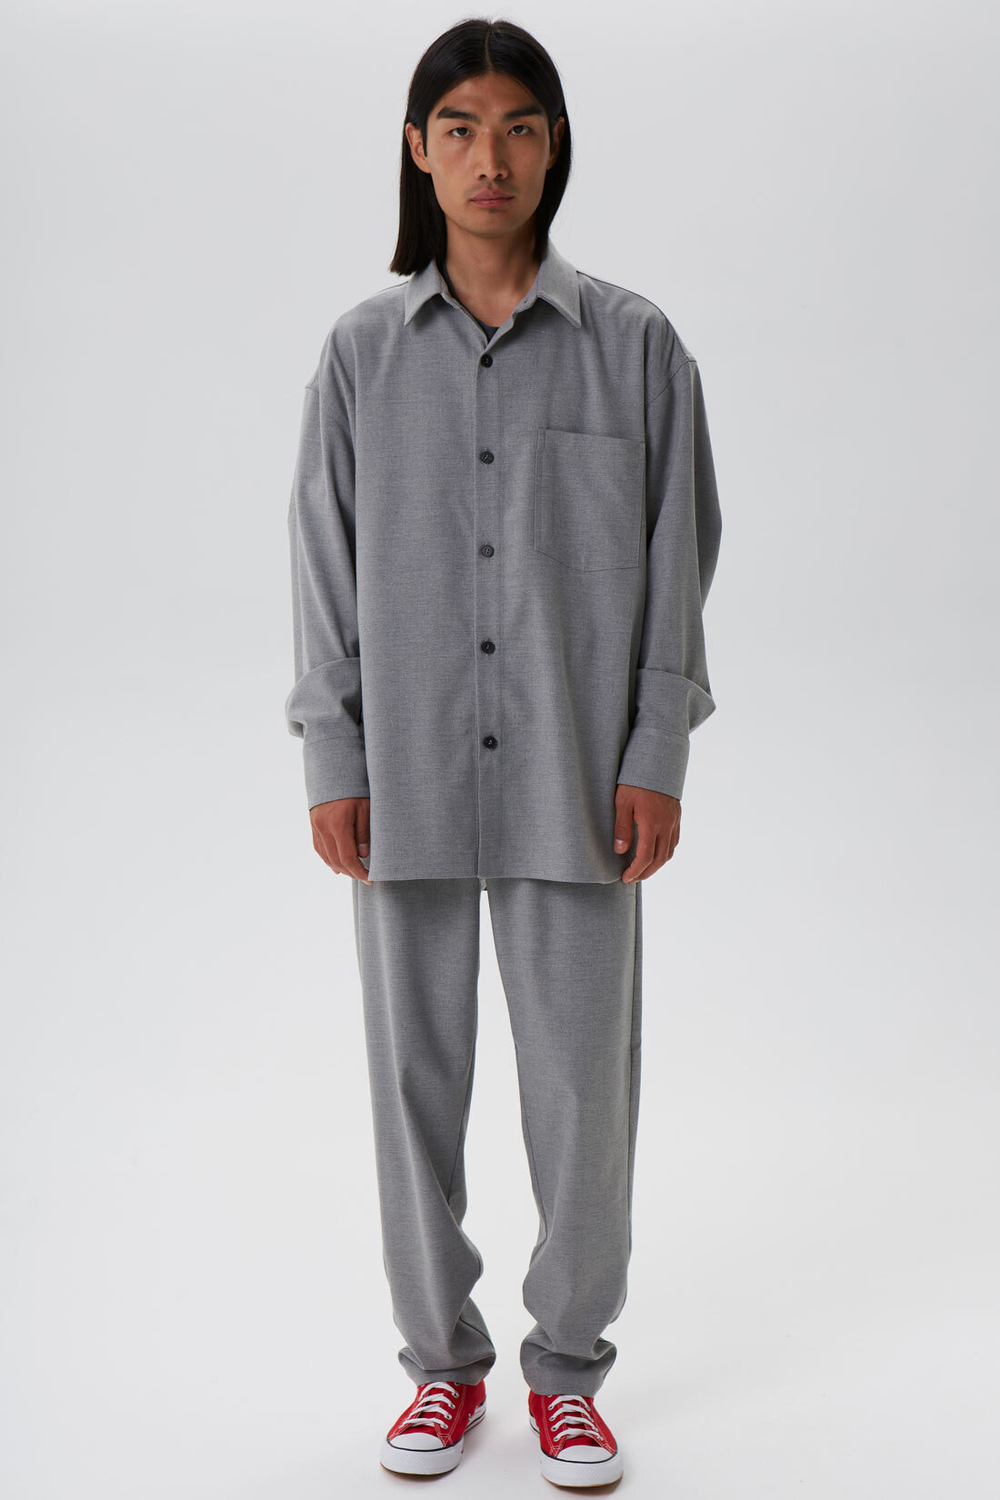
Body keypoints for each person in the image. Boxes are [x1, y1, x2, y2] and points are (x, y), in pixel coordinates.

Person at [283, 17, 722, 1488]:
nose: (492, 157)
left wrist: (655, 746)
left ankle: (568, 1372)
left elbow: (679, 556)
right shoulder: (360, 356)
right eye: (461, 128)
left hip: (579, 777)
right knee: (412, 1081)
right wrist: (333, 751)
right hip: (403, 773)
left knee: (583, 1092)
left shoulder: (637, 348)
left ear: (554, 147)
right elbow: (322, 565)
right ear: (419, 150)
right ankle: (442, 1371)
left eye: (520, 126)